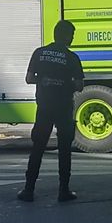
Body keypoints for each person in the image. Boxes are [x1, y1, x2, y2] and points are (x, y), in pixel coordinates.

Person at [18, 19, 85, 203]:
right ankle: (64, 191)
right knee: (64, 150)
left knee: (38, 148)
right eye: (71, 35)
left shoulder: (39, 53)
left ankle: (28, 190)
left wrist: (44, 80)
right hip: (63, 108)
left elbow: (29, 79)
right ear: (66, 36)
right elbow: (79, 85)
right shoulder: (72, 57)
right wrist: (66, 83)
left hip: (44, 108)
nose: (72, 39)